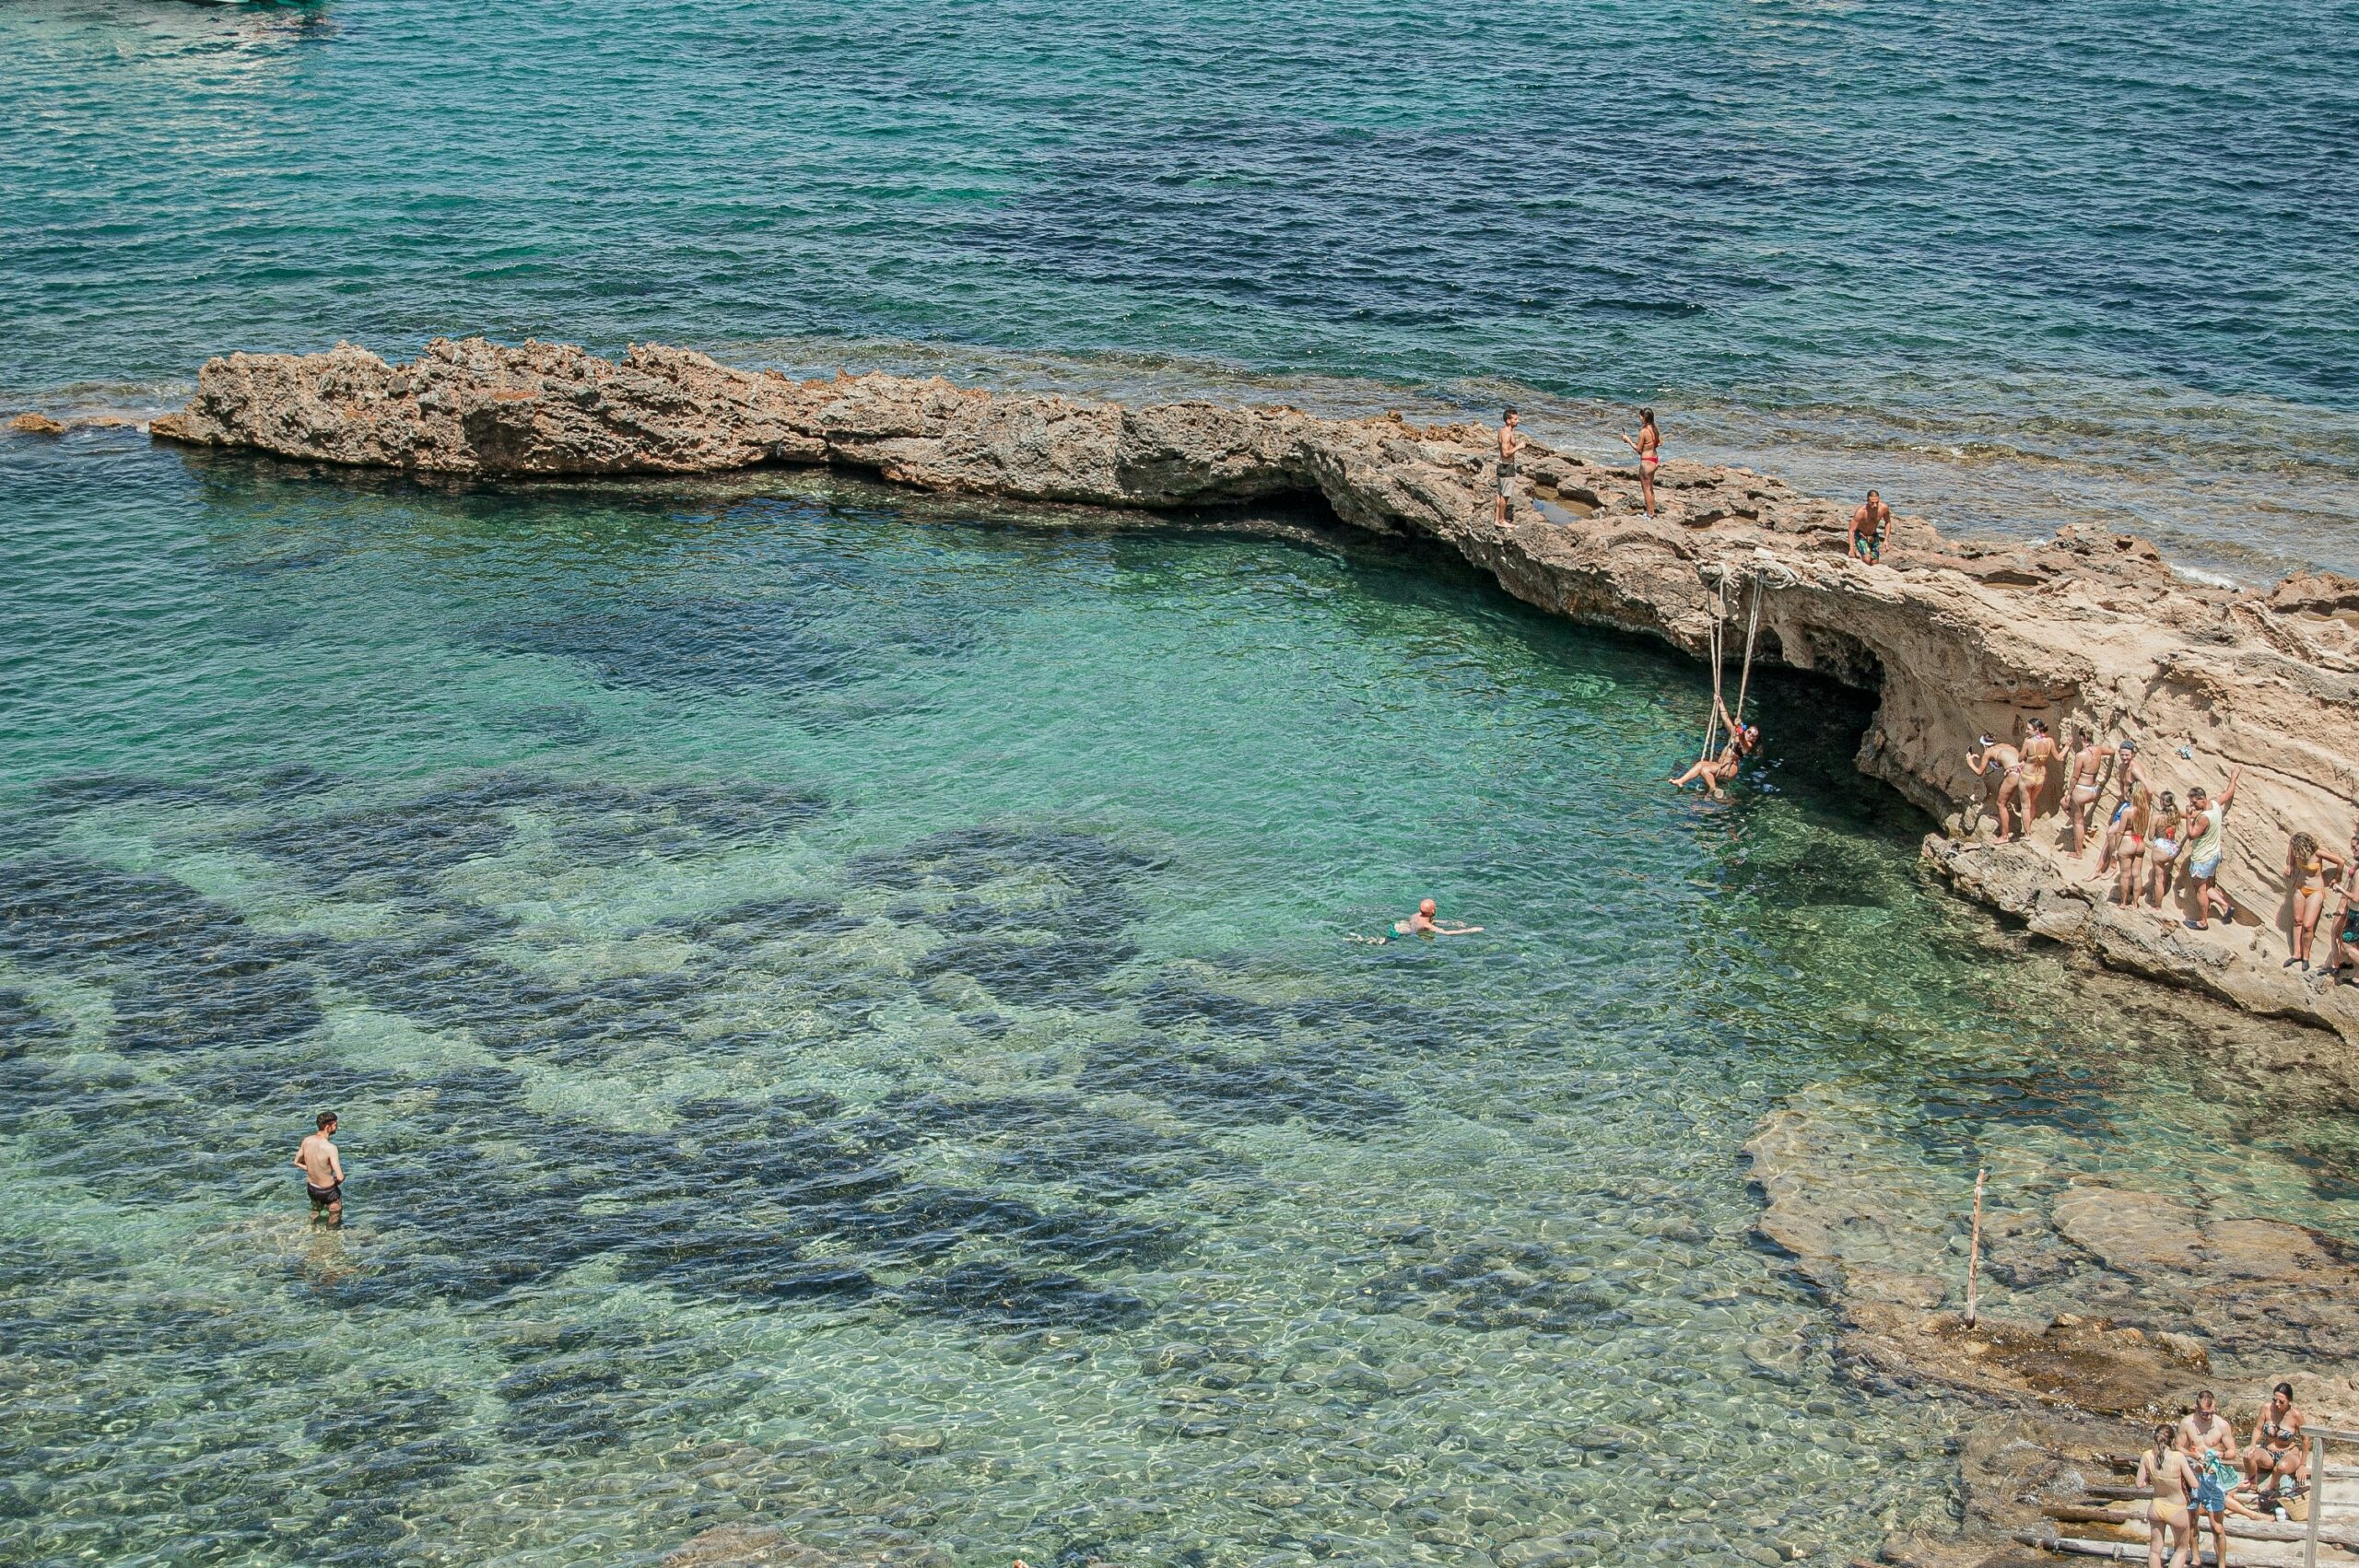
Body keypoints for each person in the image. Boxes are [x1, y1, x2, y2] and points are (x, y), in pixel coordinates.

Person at [2180, 1391, 2242, 1568]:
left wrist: (2219, 1453)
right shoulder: (2186, 1424)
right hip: (2193, 1476)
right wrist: (2193, 1454)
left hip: (2213, 1479)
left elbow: (2232, 1452)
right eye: (2204, 1413)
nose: (2208, 1417)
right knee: (2192, 1522)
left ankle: (2221, 1564)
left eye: (2211, 1412)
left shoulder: (2222, 1425)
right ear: (2196, 1408)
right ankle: (2196, 1558)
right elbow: (2178, 1447)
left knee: (2217, 1527)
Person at [2182, 766, 2244, 930]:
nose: (2192, 805)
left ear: (2202, 799)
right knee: (2207, 885)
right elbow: (2228, 793)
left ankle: (2203, 922)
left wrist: (2188, 817)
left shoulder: (2203, 818)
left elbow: (2192, 834)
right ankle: (2225, 907)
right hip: (2215, 854)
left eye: (2194, 802)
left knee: (2200, 889)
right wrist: (2234, 776)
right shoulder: (2216, 804)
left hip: (2203, 857)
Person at [1670, 693, 1760, 799]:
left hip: (1729, 768)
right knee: (1700, 764)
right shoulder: (1735, 735)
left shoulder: (1748, 745)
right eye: (1749, 732)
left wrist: (1739, 726)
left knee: (1705, 770)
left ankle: (1714, 790)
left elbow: (1741, 740)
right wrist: (1720, 703)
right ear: (1747, 731)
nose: (1750, 736)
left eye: (1753, 736)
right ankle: (1680, 781)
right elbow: (1726, 719)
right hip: (1721, 764)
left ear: (1754, 739)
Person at [2137, 1422, 2198, 1568]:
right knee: (2181, 1549)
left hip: (2156, 1507)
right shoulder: (2178, 1458)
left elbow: (2139, 1484)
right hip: (2176, 1509)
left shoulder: (2147, 1456)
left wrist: (2148, 1481)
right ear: (2172, 1440)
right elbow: (2194, 1484)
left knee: (2155, 1550)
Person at [2284, 831, 2347, 969]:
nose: (2296, 854)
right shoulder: (2295, 850)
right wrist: (2290, 864)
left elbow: (2341, 862)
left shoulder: (2318, 853)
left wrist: (2338, 877)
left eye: (2298, 851)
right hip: (2300, 889)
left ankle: (2305, 957)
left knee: (2307, 925)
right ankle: (2296, 954)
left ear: (2305, 847)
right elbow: (2290, 845)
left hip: (2315, 892)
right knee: (2297, 922)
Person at [2094, 740, 2156, 875]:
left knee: (2111, 832)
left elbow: (2149, 790)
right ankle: (2099, 868)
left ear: (2133, 754)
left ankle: (2113, 864)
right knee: (2110, 834)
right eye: (2122, 755)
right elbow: (2123, 785)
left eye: (2127, 755)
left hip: (2133, 805)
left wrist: (2144, 808)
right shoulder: (2122, 767)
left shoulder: (2134, 769)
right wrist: (2123, 796)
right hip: (2125, 804)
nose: (2124, 757)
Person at [2243, 1383, 2306, 1502]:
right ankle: (2253, 1484)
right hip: (2268, 1452)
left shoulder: (2295, 1415)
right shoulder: (2266, 1408)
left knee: (2281, 1467)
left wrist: (2303, 1464)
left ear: (2289, 1401)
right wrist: (2252, 1444)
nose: (2277, 1404)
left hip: (2288, 1452)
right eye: (2275, 1399)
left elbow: (2306, 1440)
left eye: (2281, 1402)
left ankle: (2271, 1487)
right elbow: (2258, 1428)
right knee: (2248, 1454)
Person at [2063, 726, 2116, 855]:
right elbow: (2112, 752)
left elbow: (2075, 777)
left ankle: (2078, 853)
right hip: (2093, 790)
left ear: (2081, 737)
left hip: (2081, 789)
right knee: (2066, 806)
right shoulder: (2098, 750)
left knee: (2078, 822)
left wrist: (2069, 793)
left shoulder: (2081, 755)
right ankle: (2074, 817)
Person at [1966, 733, 2026, 842]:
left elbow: (1980, 772)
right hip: (2025, 771)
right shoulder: (2005, 746)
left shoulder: (1988, 752)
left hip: (2014, 774)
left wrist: (1970, 762)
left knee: (2000, 803)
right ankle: (2026, 832)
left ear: (1984, 745)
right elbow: (2000, 763)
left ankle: (2004, 836)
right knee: (2001, 788)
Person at [295, 1110, 345, 1225]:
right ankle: (330, 1238)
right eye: (335, 1125)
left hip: (312, 1188)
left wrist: (311, 1169)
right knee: (335, 1215)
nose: (336, 1128)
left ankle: (312, 1229)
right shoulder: (330, 1148)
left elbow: (296, 1162)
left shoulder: (307, 1141)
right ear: (328, 1127)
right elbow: (340, 1176)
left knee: (315, 1210)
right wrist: (336, 1182)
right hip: (328, 1191)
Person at [2109, 787, 2151, 908]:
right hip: (2139, 842)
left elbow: (2120, 832)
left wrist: (2116, 849)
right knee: (2137, 874)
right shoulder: (2146, 810)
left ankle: (2123, 903)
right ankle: (2134, 904)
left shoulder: (2127, 811)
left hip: (2127, 841)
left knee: (2125, 874)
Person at [2014, 720, 2058, 834]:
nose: (2026, 731)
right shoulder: (2049, 741)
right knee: (2032, 802)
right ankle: (2030, 827)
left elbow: (2020, 758)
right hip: (2040, 777)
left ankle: (2027, 833)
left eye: (2029, 729)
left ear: (2036, 730)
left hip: (2027, 776)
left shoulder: (2028, 742)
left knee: (2025, 806)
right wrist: (2067, 746)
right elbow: (2058, 757)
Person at [1619, 408, 1661, 518]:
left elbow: (1638, 449)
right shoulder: (1655, 429)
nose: (1639, 417)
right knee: (1650, 488)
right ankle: (1651, 512)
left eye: (1641, 416)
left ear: (1645, 417)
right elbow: (1660, 443)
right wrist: (1649, 447)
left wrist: (1628, 440)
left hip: (1646, 462)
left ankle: (1649, 514)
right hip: (1654, 459)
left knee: (1646, 489)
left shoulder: (1643, 432)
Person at [2147, 791, 2185, 910]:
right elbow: (2189, 815)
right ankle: (2157, 896)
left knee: (2158, 878)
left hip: (2161, 847)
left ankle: (2158, 906)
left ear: (2162, 801)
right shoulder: (2175, 815)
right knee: (2164, 875)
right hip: (2172, 848)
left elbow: (2150, 837)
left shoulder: (2157, 817)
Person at [1495, 408, 1524, 527]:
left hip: (1501, 465)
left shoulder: (1502, 431)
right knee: (1505, 495)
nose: (1518, 421)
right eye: (1515, 419)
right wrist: (1519, 447)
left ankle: (1497, 519)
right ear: (1508, 421)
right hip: (1507, 466)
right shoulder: (1507, 434)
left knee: (1500, 494)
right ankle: (1502, 521)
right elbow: (1505, 453)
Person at [1396, 897, 1483, 938]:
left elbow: (1429, 919)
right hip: (1410, 933)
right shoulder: (1427, 925)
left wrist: (1452, 923)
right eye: (1435, 908)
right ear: (1433, 911)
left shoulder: (1415, 915)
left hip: (1405, 925)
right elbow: (1446, 933)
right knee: (1429, 939)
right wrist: (1470, 930)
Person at [1848, 490, 1893, 564]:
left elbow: (1888, 522)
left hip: (1873, 535)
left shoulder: (1884, 508)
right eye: (1872, 503)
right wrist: (1851, 548)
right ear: (1868, 501)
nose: (1875, 505)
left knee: (1874, 562)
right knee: (1867, 559)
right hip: (1861, 535)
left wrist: (1886, 539)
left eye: (1877, 502)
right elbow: (1851, 530)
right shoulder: (1861, 511)